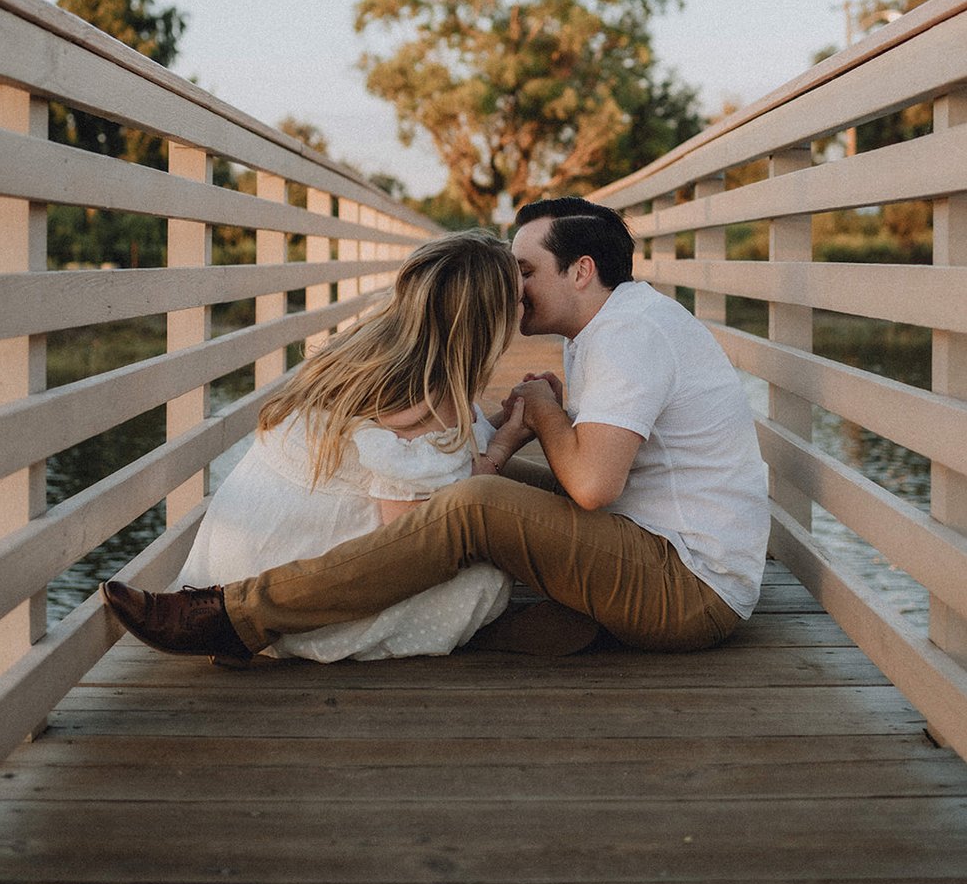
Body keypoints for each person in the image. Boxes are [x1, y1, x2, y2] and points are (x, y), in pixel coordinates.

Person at [104, 197, 770, 663]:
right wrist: (515, 440)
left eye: (528, 272)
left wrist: (542, 416)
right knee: (487, 482)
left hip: (689, 586)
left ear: (582, 271)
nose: (516, 289)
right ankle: (504, 620)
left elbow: (592, 487)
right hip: (653, 547)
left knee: (474, 504)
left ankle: (237, 615)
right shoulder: (606, 328)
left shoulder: (629, 335)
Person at [120, 229, 531, 662]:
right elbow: (419, 538)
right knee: (485, 575)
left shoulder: (369, 349)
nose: (526, 303)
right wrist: (505, 444)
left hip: (232, 562)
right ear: (490, 320)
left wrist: (506, 422)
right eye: (519, 298)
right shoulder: (429, 398)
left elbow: (442, 456)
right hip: (288, 588)